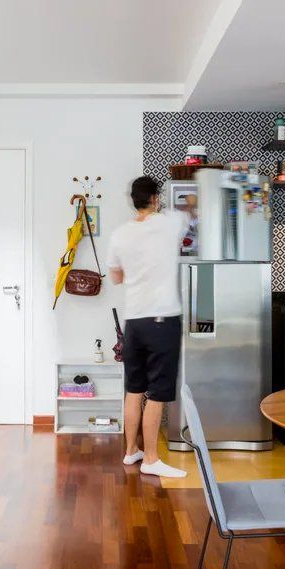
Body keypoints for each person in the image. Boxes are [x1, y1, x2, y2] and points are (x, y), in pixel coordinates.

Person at [107, 176, 189, 478]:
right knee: (157, 392)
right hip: (162, 320)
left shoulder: (119, 235)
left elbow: (116, 278)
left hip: (134, 322)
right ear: (155, 198)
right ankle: (152, 459)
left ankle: (132, 452)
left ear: (133, 200)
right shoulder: (170, 223)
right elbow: (191, 212)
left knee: (134, 388)